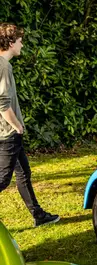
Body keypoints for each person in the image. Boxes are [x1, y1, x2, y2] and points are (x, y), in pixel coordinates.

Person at [0, 23, 59, 227]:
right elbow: (2, 104)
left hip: (7, 132)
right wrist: (17, 126)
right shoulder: (4, 66)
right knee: (2, 180)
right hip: (8, 133)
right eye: (20, 41)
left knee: (23, 172)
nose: (22, 44)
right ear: (10, 42)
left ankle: (38, 215)